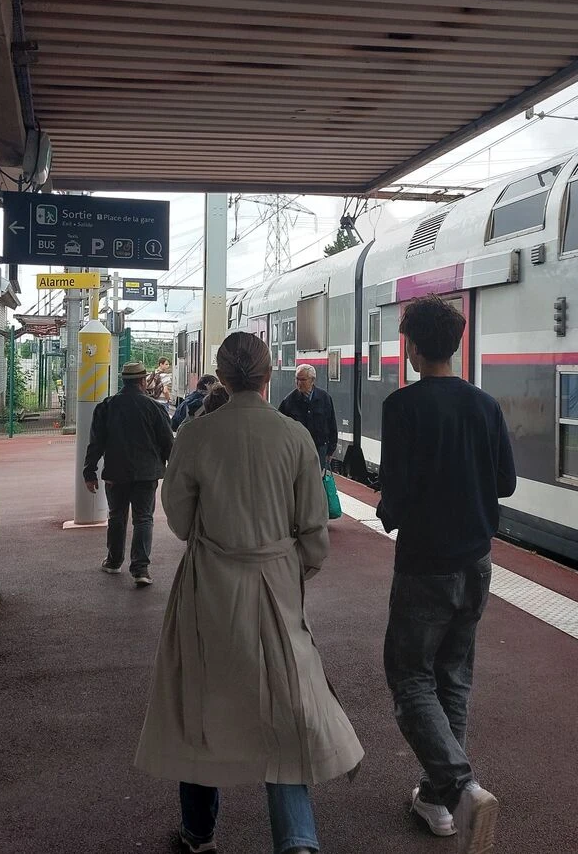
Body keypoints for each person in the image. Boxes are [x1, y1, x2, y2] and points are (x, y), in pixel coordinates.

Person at [136, 332, 362, 854]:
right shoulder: (294, 437)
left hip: (209, 585)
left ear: (222, 373)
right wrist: (289, 568)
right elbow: (315, 535)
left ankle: (198, 833)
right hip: (276, 584)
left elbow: (181, 522)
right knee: (287, 703)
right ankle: (297, 839)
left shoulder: (195, 435)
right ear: (267, 376)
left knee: (200, 700)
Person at [377, 294, 515, 854]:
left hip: (425, 565)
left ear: (411, 346)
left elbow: (399, 492)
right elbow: (504, 483)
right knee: (453, 676)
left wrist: (389, 512)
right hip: (476, 563)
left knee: (410, 676)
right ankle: (438, 800)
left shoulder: (402, 406)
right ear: (455, 345)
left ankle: (460, 787)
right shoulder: (485, 405)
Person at [82, 361, 174, 586]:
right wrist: (173, 467)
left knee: (116, 516)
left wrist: (90, 471)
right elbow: (167, 441)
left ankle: (113, 562)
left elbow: (96, 442)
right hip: (146, 474)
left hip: (116, 473)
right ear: (143, 381)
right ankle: (140, 569)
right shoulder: (154, 407)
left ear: (124, 381)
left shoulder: (107, 406)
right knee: (143, 518)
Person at [278, 363, 338, 470]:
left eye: (303, 380)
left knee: (318, 481)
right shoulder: (289, 401)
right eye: (297, 379)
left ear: (312, 380)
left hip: (319, 448)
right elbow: (280, 427)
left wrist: (330, 450)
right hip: (298, 450)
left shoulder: (324, 398)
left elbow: (332, 423)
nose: (298, 383)